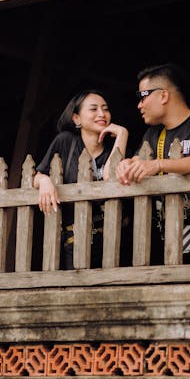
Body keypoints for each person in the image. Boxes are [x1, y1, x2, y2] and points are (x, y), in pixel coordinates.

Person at [116, 63, 190, 263]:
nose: (139, 105)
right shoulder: (153, 134)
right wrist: (126, 165)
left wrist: (159, 165)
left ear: (164, 95)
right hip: (165, 232)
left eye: (143, 96)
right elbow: (139, 160)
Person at [34, 89, 129, 270]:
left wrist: (122, 134)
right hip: (75, 240)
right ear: (76, 119)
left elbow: (111, 177)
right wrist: (45, 181)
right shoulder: (65, 141)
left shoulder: (115, 146)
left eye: (105, 109)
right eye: (93, 109)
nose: (102, 114)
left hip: (116, 240)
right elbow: (37, 176)